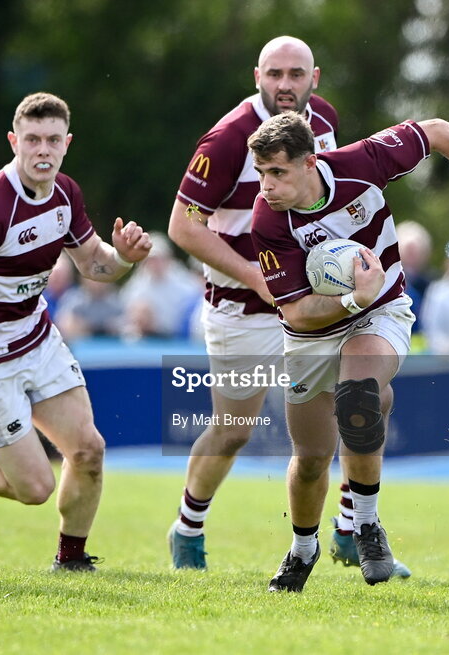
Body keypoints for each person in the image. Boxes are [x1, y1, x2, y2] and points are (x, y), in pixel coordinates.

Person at [247, 111, 449, 592]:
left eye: (276, 171)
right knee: (310, 460)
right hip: (311, 335)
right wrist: (350, 296)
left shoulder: (362, 162)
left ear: (308, 162)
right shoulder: (268, 219)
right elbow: (298, 313)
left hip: (378, 313)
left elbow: (440, 131)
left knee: (359, 397)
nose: (266, 185)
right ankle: (303, 548)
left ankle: (366, 526)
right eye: (260, 173)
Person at [166, 35, 408, 575]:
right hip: (242, 304)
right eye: (275, 74)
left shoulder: (321, 120)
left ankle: (352, 526)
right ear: (257, 76)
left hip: (315, 307)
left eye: (295, 74)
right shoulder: (228, 139)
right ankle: (187, 526)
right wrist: (257, 277)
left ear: (313, 79)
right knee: (234, 430)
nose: (285, 85)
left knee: (367, 396)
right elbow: (182, 226)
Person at [0, 92, 151, 572]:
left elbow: (94, 265)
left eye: (52, 140)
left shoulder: (66, 192)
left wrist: (125, 258)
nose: (42, 150)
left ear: (66, 143)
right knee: (33, 489)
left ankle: (71, 560)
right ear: (14, 141)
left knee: (88, 449)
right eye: (32, 140)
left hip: (37, 338)